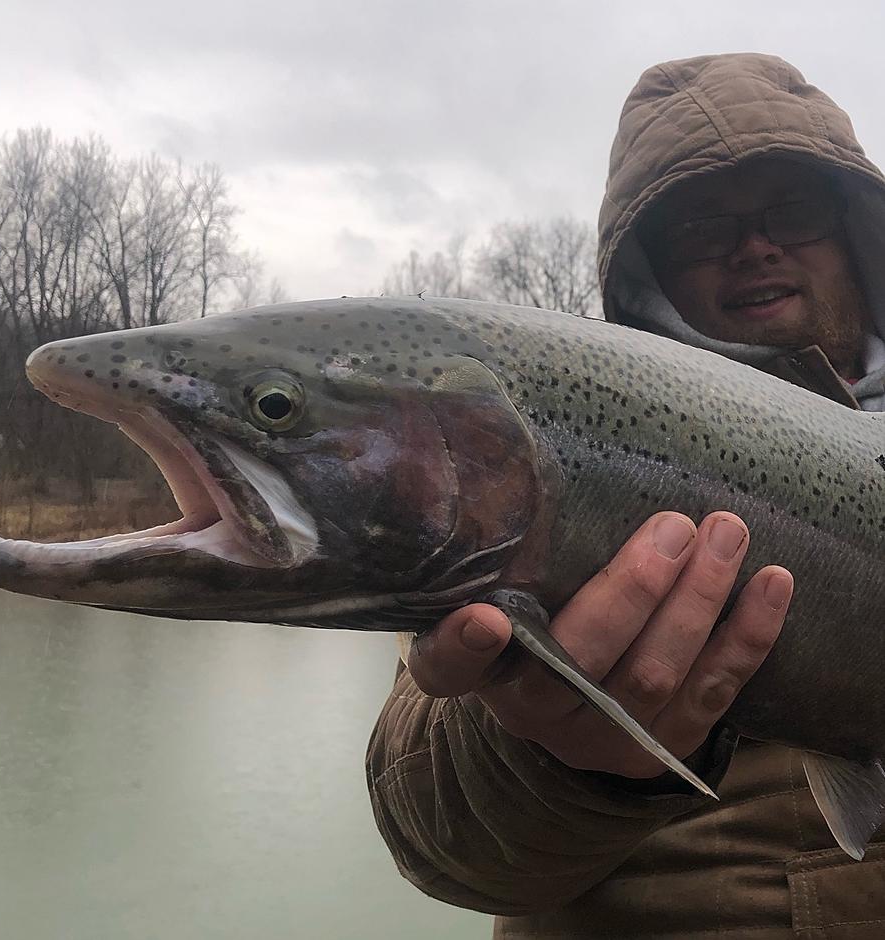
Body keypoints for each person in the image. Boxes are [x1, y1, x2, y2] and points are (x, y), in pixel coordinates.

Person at [366, 53, 885, 939]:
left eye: (792, 212)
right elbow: (437, 837)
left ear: (858, 237)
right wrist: (551, 748)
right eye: (701, 229)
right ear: (647, 276)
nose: (754, 246)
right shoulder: (545, 467)